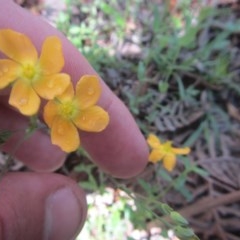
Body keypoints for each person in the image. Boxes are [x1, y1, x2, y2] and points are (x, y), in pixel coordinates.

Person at [0, 1, 148, 239]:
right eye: (27, 70)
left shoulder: (59, 90)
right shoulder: (40, 97)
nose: (28, 71)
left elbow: (67, 89)